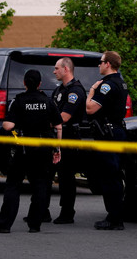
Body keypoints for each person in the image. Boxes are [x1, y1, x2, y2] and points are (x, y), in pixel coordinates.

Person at [0, 70, 62, 234]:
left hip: (23, 149)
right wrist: (57, 149)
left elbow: (8, 126)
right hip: (43, 149)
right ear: (39, 84)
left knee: (13, 185)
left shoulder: (19, 101)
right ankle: (34, 224)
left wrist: (17, 129)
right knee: (40, 185)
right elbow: (58, 126)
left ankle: (4, 225)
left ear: (24, 83)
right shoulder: (48, 101)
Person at [86, 51, 128, 230]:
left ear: (108, 64)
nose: (99, 65)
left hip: (108, 134)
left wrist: (92, 91)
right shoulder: (121, 82)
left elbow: (90, 109)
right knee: (115, 175)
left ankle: (114, 218)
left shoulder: (107, 85)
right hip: (116, 132)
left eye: (101, 62)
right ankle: (115, 216)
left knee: (109, 177)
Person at [50, 57, 87, 224]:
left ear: (66, 69)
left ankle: (67, 212)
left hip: (69, 137)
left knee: (66, 176)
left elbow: (64, 117)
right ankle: (41, 210)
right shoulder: (59, 91)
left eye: (57, 68)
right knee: (49, 174)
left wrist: (42, 121)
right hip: (55, 137)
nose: (54, 71)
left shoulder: (75, 91)